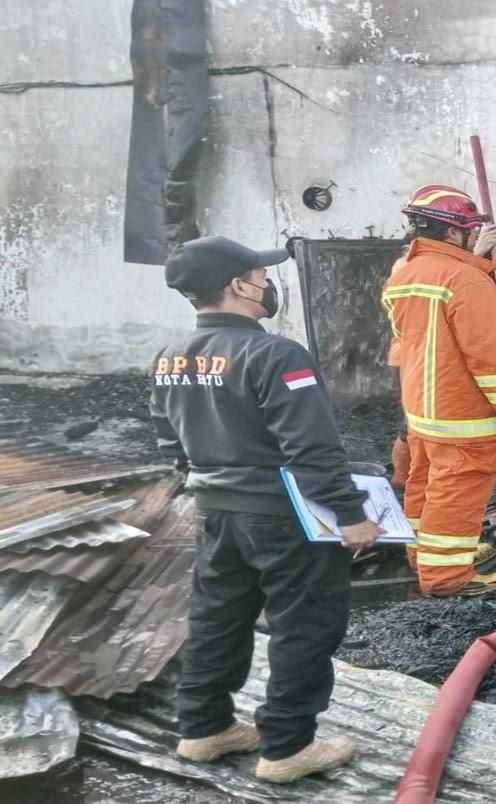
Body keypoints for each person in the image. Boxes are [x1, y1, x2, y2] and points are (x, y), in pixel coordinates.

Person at [151, 235, 381, 783]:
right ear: (238, 286)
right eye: (259, 276)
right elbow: (311, 446)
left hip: (215, 512)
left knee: (217, 619)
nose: (267, 284)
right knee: (304, 625)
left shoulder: (169, 355)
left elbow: (168, 439)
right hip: (283, 518)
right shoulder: (276, 354)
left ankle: (203, 729)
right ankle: (287, 748)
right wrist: (349, 514)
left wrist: (207, 483)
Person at [383, 184, 496, 596]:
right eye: (469, 231)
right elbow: (491, 356)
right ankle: (446, 576)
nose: (473, 236)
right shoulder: (465, 280)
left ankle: (425, 554)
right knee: (456, 493)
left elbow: (408, 341)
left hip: (422, 409)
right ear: (452, 232)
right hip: (462, 414)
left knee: (424, 485)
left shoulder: (405, 274)